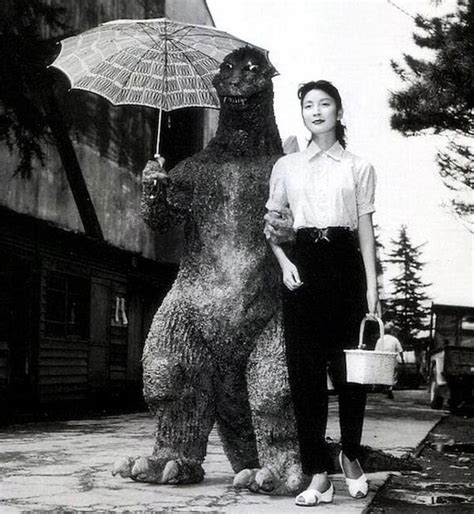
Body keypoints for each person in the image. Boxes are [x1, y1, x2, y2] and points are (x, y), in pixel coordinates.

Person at [264, 80, 381, 507]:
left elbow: (366, 230)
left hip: (346, 269)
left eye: (324, 103)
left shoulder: (359, 166)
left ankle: (351, 456)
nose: (316, 111)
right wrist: (285, 262)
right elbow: (273, 226)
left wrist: (372, 285)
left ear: (338, 110)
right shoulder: (286, 166)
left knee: (351, 373)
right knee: (304, 375)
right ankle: (318, 473)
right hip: (302, 270)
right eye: (308, 105)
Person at [375, 324, 403, 399]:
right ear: (391, 331)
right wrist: (402, 361)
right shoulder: (394, 339)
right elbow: (400, 350)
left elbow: (376, 351)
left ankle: (385, 387)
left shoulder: (380, 339)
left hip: (383, 359)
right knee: (393, 374)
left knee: (384, 373)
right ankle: (390, 388)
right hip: (392, 358)